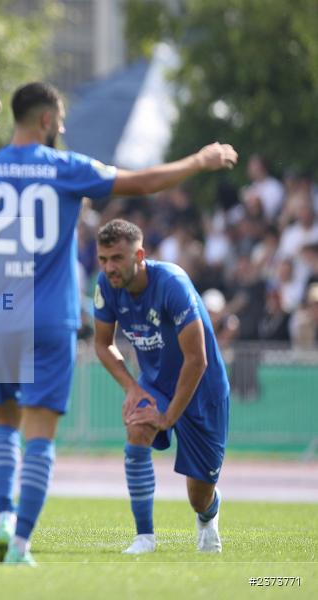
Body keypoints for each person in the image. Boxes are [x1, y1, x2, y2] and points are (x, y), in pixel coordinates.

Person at [0, 81, 237, 565]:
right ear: (44, 120)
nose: (61, 128)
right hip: (51, 316)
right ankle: (19, 545)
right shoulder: (66, 167)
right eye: (58, 120)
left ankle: (1, 520)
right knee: (40, 434)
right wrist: (198, 162)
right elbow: (141, 182)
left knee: (6, 425)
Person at [92, 219, 230, 555]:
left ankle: (208, 516)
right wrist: (132, 389)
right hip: (154, 384)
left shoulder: (172, 283)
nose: (110, 267)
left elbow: (197, 360)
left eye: (117, 258)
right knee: (137, 428)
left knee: (199, 495)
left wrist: (168, 417)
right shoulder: (107, 285)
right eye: (103, 259)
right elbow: (102, 343)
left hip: (202, 389)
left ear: (139, 255)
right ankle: (145, 537)